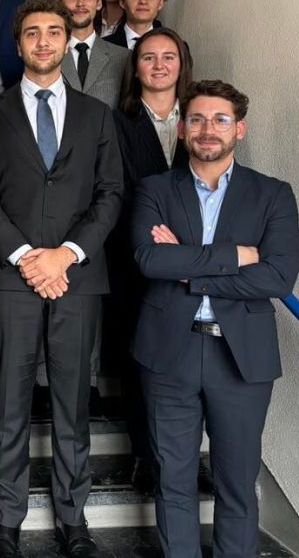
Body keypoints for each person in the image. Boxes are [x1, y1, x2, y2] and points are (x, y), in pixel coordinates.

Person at [0, 0, 123, 558]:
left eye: (53, 32)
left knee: (72, 404)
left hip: (77, 277)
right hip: (11, 277)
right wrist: (27, 255)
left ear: (66, 38)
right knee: (9, 403)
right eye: (32, 32)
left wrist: (66, 255)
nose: (43, 42)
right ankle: (5, 521)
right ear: (18, 42)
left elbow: (110, 194)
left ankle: (73, 519)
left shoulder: (96, 115)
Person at [131, 80, 299, 557]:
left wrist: (188, 268)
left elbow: (279, 277)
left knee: (238, 482)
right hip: (169, 352)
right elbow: (150, 259)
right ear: (183, 128)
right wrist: (235, 256)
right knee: (173, 479)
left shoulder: (272, 194)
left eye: (220, 119)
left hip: (241, 356)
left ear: (239, 129)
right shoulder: (155, 189)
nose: (209, 129)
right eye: (198, 119)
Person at [109, 28, 193, 494]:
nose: (159, 65)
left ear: (182, 64)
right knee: (138, 359)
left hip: (191, 259)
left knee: (187, 362)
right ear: (135, 67)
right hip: (133, 258)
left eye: (168, 57)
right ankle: (144, 454)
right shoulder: (115, 121)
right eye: (148, 57)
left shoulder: (199, 118)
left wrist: (184, 243)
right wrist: (153, 237)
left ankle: (181, 457)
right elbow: (118, 190)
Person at [59, 0, 130, 108]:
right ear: (61, 3)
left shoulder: (124, 57)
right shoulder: (48, 55)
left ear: (99, 2)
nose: (80, 3)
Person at [104, 0, 169, 50]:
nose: (143, 1)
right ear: (122, 2)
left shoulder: (176, 46)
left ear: (161, 3)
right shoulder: (101, 47)